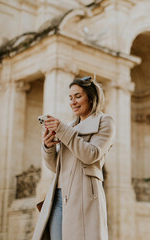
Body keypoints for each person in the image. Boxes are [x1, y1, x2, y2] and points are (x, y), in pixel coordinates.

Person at [32, 76, 115, 240]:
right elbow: (57, 167)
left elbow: (91, 155)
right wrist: (48, 147)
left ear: (91, 98)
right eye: (70, 98)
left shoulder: (105, 121)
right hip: (57, 196)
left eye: (78, 96)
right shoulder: (69, 127)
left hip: (83, 196)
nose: (73, 102)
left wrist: (63, 130)